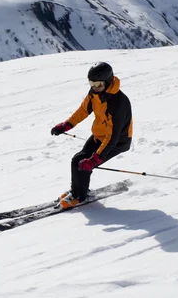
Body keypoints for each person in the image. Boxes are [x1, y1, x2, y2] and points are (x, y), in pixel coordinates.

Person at [50, 62, 133, 208]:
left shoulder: (118, 103)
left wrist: (95, 159)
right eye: (91, 83)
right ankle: (76, 190)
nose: (94, 87)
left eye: (98, 84)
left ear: (108, 82)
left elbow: (113, 137)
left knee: (84, 163)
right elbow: (83, 110)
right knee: (77, 159)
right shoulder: (95, 93)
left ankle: (80, 196)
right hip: (100, 135)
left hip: (117, 141)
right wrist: (66, 125)